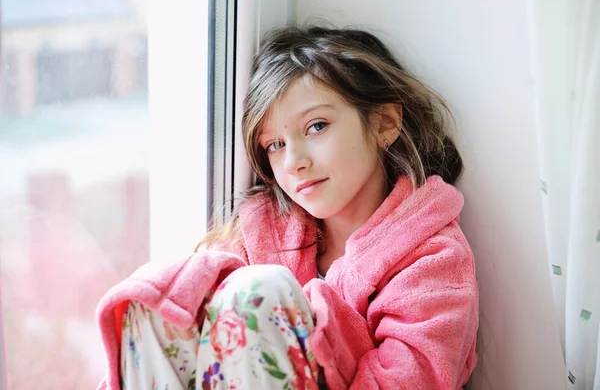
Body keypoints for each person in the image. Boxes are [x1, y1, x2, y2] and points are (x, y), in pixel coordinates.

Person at [96, 26, 479, 390]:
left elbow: (414, 379)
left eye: (316, 127)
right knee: (159, 301)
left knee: (258, 290)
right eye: (274, 145)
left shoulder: (433, 258)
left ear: (384, 123)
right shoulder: (261, 231)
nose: (294, 161)